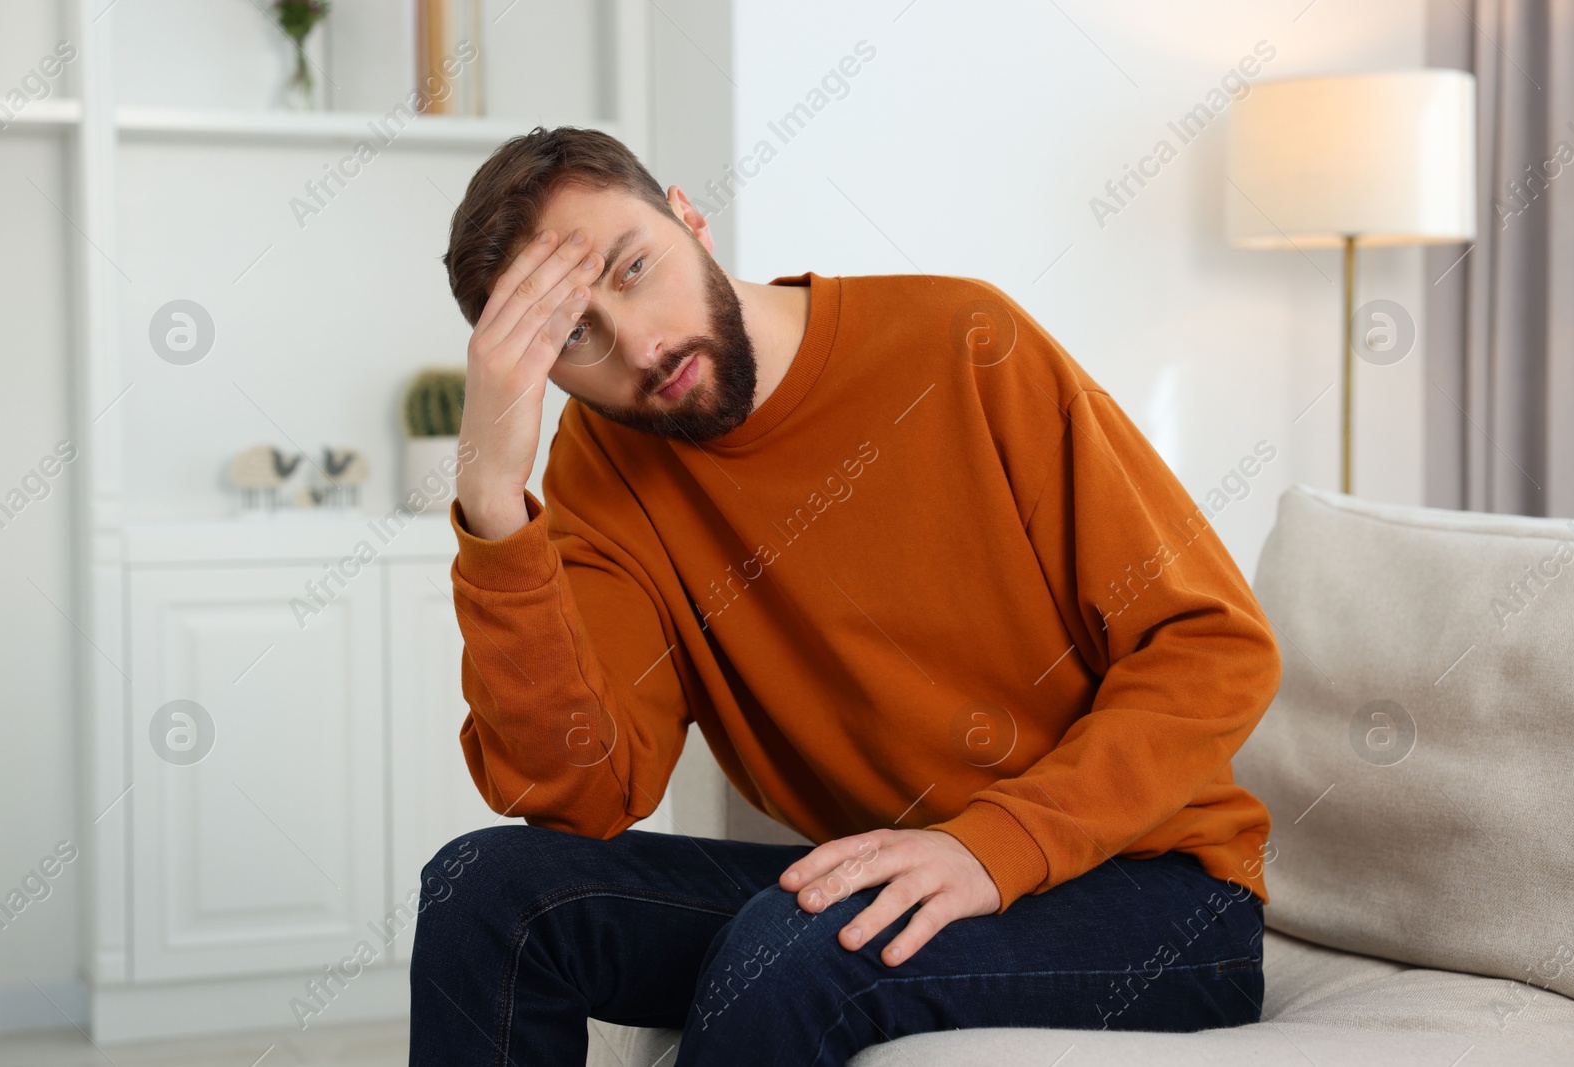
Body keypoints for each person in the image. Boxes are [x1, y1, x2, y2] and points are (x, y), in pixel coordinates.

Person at [408, 125, 1281, 1067]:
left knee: (791, 956)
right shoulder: (605, 469)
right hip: (894, 873)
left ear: (687, 217)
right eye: (573, 335)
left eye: (632, 268)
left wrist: (996, 843)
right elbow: (581, 792)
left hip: (1157, 893)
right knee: (484, 892)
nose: (644, 346)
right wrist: (494, 504)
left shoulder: (964, 343)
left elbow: (1215, 645)